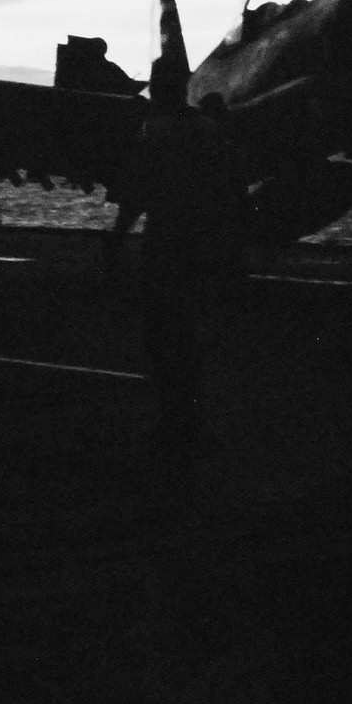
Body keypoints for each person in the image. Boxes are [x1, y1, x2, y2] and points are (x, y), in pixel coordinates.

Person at [134, 90, 249, 456]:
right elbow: (236, 194)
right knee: (187, 338)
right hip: (198, 248)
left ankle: (176, 420)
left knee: (166, 338)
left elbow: (145, 187)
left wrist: (121, 235)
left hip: (170, 246)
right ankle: (189, 421)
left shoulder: (159, 131)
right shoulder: (213, 138)